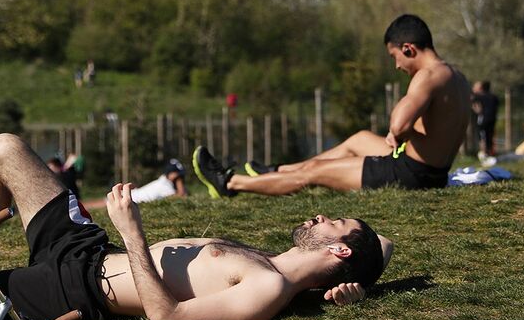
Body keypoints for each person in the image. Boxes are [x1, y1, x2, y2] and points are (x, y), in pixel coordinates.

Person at [0, 133, 391, 320]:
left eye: (332, 222)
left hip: (76, 288)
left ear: (339, 250)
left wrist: (132, 233)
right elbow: (383, 246)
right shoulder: (275, 266)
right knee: (4, 149)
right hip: (88, 246)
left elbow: (167, 319)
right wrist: (352, 290)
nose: (317, 217)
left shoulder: (269, 287)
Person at [195, 14, 470, 197]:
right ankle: (280, 171)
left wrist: (398, 133)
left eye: (395, 56)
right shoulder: (456, 76)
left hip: (411, 174)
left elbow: (398, 124)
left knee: (315, 174)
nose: (397, 65)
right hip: (432, 170)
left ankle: (230, 183)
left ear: (408, 48)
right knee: (359, 139)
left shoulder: (427, 76)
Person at [86, 159, 187, 208]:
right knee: (99, 204)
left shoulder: (162, 181)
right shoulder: (165, 186)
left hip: (134, 196)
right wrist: (179, 181)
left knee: (101, 202)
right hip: (133, 199)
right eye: (179, 176)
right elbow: (182, 196)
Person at [471, 81, 499, 160]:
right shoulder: (494, 97)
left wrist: (477, 110)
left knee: (482, 137)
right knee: (490, 136)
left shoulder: (478, 96)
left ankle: (484, 153)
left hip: (483, 119)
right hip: (492, 119)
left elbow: (475, 105)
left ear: (481, 88)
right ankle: (490, 153)